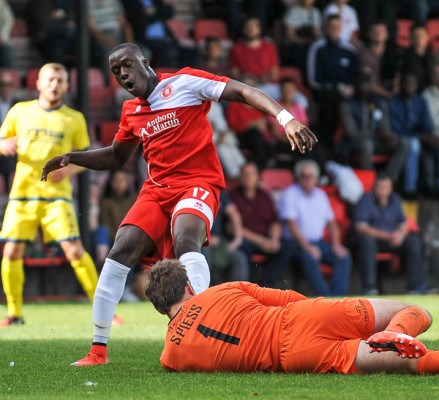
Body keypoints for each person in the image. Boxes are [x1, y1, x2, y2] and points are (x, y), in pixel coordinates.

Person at [41, 42, 317, 366]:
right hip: (157, 190)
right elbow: (117, 155)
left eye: (127, 65)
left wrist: (286, 119)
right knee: (119, 250)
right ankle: (97, 351)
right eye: (116, 72)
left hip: (198, 183)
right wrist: (72, 158)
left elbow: (242, 92)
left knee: (186, 238)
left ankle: (200, 327)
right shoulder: (132, 111)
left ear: (145, 61)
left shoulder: (185, 83)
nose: (123, 75)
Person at [146, 258, 439, 375]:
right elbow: (290, 298)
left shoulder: (170, 356)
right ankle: (395, 330)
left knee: (413, 365)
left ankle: (389, 341)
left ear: (161, 309)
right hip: (301, 316)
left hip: (292, 356)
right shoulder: (222, 290)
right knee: (414, 311)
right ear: (188, 286)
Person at [0, 63, 99, 326]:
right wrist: (3, 145)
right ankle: (15, 314)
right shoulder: (20, 111)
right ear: (39, 83)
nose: (55, 84)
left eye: (60, 80)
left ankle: (104, 309)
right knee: (10, 252)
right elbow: (1, 141)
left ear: (67, 86)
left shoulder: (74, 118)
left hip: (57, 197)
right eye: (50, 79)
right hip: (22, 195)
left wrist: (67, 171)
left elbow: (86, 157)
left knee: (75, 251)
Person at [278, 159, 351, 296]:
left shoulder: (321, 195)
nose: (307, 179)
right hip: (296, 244)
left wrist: (336, 244)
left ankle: (338, 298)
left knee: (343, 257)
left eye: (310, 176)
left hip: (318, 242)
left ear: (316, 178)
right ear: (298, 178)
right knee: (309, 258)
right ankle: (326, 299)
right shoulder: (290, 193)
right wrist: (307, 247)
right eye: (303, 176)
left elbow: (332, 223)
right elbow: (291, 225)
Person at [351, 173, 429, 295]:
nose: (383, 190)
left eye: (386, 186)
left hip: (393, 240)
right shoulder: (366, 199)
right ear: (374, 187)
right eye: (380, 186)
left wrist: (401, 235)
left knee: (413, 240)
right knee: (366, 241)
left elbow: (404, 224)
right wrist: (388, 236)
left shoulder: (396, 199)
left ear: (391, 188)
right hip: (374, 241)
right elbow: (361, 227)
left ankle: (417, 288)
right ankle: (370, 288)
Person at [229, 162, 293, 287]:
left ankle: (265, 285)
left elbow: (275, 222)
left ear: (258, 177)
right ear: (240, 176)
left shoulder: (265, 196)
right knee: (243, 248)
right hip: (245, 239)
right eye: (244, 174)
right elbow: (231, 228)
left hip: (266, 239)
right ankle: (250, 287)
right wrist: (260, 241)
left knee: (288, 246)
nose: (247, 177)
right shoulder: (232, 196)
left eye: (251, 174)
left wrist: (274, 240)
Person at [338, 70, 408, 182]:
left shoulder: (378, 103)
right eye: (362, 84)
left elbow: (384, 125)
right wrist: (377, 135)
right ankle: (371, 182)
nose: (365, 87)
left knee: (403, 143)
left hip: (377, 141)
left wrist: (389, 135)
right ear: (355, 85)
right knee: (367, 145)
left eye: (368, 84)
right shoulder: (347, 104)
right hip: (355, 143)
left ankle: (388, 181)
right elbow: (352, 133)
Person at [306, 13, 359, 154]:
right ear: (325, 28)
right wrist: (337, 87)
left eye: (337, 26)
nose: (334, 29)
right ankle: (327, 151)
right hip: (326, 93)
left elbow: (356, 75)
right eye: (331, 26)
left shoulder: (349, 49)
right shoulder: (317, 48)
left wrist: (352, 87)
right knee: (330, 108)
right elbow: (313, 80)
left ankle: (348, 150)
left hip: (348, 93)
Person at [388, 72, 435, 198]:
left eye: (413, 83)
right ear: (401, 84)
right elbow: (395, 127)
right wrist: (419, 135)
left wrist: (428, 136)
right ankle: (410, 188)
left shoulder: (420, 101)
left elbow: (427, 124)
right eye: (407, 82)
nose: (410, 85)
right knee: (413, 145)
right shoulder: (393, 101)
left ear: (417, 85)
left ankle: (432, 187)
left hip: (418, 136)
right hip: (399, 138)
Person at [26, 0, 76, 66]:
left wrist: (57, 17)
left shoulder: (69, 2)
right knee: (56, 46)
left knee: (86, 43)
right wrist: (64, 21)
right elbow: (44, 23)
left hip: (68, 35)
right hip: (45, 36)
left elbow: (73, 19)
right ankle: (57, 72)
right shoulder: (38, 2)